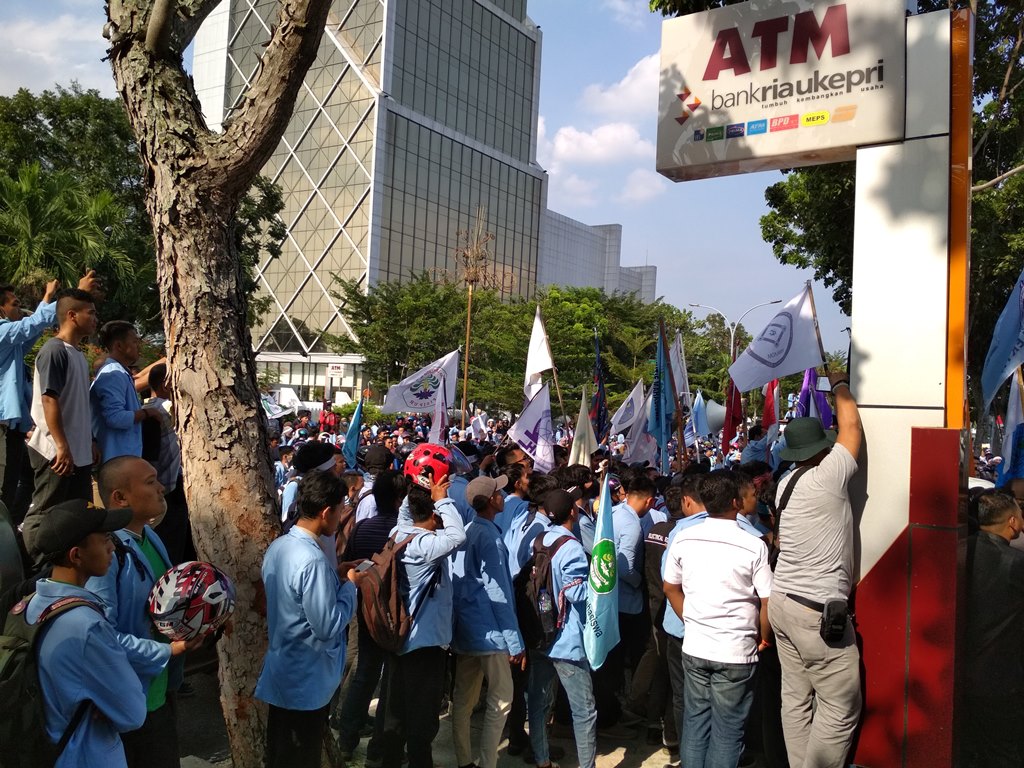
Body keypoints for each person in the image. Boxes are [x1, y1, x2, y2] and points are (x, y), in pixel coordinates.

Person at [768, 370, 862, 768]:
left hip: (782, 603)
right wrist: (839, 383)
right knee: (840, 707)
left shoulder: (784, 484)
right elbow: (852, 423)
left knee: (795, 698)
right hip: (817, 613)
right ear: (823, 448)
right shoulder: (829, 476)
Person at [86, 456, 192, 768]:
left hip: (160, 691)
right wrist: (166, 650)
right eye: (150, 482)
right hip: (130, 704)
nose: (161, 488)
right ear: (119, 497)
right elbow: (102, 635)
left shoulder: (150, 537)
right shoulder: (107, 554)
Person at [663, 471, 773, 768]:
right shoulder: (754, 545)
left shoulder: (684, 538)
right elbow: (767, 600)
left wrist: (691, 620)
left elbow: (670, 587)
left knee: (696, 723)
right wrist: (764, 636)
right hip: (736, 651)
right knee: (727, 731)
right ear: (737, 502)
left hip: (696, 647)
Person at [24, 499, 146, 767]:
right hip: (87, 756)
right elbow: (132, 712)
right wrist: (108, 702)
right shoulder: (87, 625)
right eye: (103, 539)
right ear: (76, 555)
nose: (112, 547)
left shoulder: (30, 605)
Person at [255, 470, 358, 768]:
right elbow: (326, 626)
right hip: (305, 679)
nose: (341, 517)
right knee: (299, 755)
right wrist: (350, 586)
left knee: (280, 753)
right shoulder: (312, 559)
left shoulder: (281, 545)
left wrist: (335, 578)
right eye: (340, 511)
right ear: (327, 512)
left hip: (285, 669)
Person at [374, 470, 466, 768]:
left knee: (396, 708)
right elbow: (458, 536)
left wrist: (418, 490)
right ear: (435, 515)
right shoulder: (427, 546)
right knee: (422, 714)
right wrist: (443, 501)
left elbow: (405, 514)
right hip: (425, 641)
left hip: (399, 636)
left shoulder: (398, 535)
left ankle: (390, 759)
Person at [451, 474, 525, 768]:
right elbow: (499, 591)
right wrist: (514, 641)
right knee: (501, 699)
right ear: (491, 500)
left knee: (464, 700)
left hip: (467, 628)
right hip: (490, 630)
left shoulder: (468, 530)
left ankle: (464, 759)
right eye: (499, 492)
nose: (503, 495)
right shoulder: (490, 536)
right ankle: (487, 763)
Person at [22, 288, 100, 563]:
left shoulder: (77, 354)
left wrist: (88, 439)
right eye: (90, 313)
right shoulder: (54, 351)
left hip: (76, 452)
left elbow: (78, 405)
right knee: (46, 509)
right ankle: (32, 565)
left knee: (74, 512)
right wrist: (61, 445)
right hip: (55, 451)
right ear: (71, 315)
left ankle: (63, 563)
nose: (95, 319)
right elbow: (49, 401)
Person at [335, 469, 405, 757]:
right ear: (402, 499)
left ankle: (347, 739)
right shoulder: (401, 534)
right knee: (391, 677)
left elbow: (351, 562)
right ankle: (382, 744)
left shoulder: (362, 526)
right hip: (395, 611)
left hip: (365, 608)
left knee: (365, 671)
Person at [526, 489, 595, 768]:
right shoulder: (572, 547)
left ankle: (542, 759)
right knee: (584, 711)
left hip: (540, 632)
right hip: (567, 639)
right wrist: (601, 587)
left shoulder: (540, 539)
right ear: (573, 513)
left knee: (539, 702)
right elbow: (577, 593)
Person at [962, 490, 1024, 767]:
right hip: (1000, 677)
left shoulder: (960, 550)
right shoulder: (1015, 563)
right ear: (1012, 522)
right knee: (1003, 752)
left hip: (961, 673)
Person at [91, 321, 158, 462]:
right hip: (117, 458)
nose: (138, 346)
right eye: (134, 342)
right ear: (119, 346)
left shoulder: (120, 372)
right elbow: (115, 418)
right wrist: (148, 412)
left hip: (124, 456)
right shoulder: (113, 374)